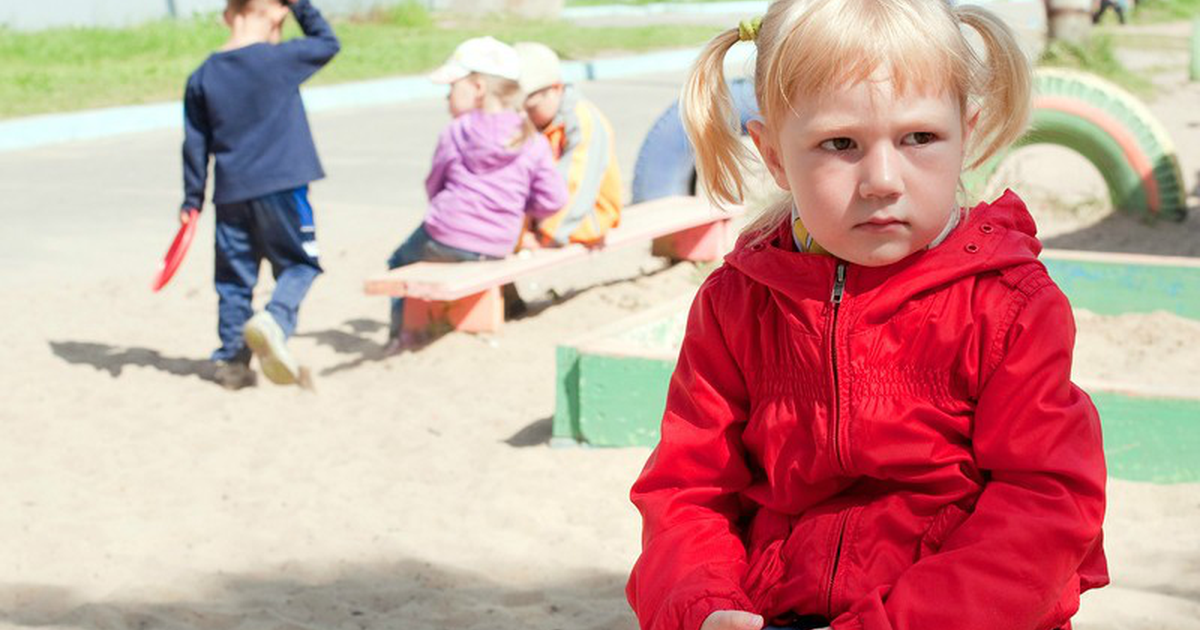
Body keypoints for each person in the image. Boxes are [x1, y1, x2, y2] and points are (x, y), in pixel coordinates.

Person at [625, 1, 1108, 629]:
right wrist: (703, 604)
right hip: (778, 609)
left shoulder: (1008, 305)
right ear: (773, 154)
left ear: (967, 132)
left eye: (919, 138)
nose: (882, 178)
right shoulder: (736, 305)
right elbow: (688, 492)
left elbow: (1047, 503)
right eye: (839, 143)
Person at [180, 0, 339, 390]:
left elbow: (195, 146)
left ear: (227, 15)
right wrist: (301, 4)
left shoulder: (202, 76)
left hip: (231, 193)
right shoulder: (279, 60)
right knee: (301, 265)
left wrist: (192, 200)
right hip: (284, 187)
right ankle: (275, 319)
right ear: (275, 12)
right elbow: (327, 42)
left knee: (234, 280)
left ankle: (233, 364)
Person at [384, 36, 568, 352]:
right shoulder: (532, 139)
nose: (446, 99)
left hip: (444, 235)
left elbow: (434, 185)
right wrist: (523, 207)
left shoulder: (457, 130)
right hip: (498, 243)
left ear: (479, 88)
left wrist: (451, 208)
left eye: (451, 89)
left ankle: (403, 335)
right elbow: (554, 200)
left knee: (398, 261)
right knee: (463, 252)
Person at [513, 42, 623, 248]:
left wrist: (543, 236)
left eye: (530, 106)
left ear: (556, 89)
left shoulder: (582, 120)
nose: (523, 114)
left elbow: (577, 185)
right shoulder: (530, 121)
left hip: (587, 214)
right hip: (543, 213)